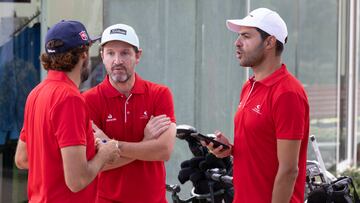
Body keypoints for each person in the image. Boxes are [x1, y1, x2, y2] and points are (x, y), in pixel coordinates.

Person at [203, 8, 309, 203]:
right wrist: (230, 149)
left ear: (269, 42)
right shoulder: (249, 86)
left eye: (246, 36)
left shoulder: (287, 93)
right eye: (238, 36)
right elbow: (262, 147)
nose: (237, 42)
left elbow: (288, 170)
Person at [14, 20, 121, 203]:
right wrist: (104, 153)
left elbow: (22, 159)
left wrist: (82, 153)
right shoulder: (70, 99)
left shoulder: (36, 93)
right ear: (84, 54)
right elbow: (77, 181)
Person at [82, 23, 176, 203]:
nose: (117, 60)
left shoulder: (159, 94)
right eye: (110, 53)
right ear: (102, 56)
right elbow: (95, 164)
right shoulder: (88, 100)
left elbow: (163, 151)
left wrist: (111, 146)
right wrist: (145, 143)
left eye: (125, 53)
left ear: (137, 55)